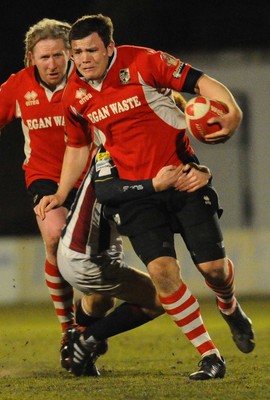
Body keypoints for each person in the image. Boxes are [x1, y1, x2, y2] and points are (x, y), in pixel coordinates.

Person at [36, 14, 255, 381]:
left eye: (91, 50)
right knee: (163, 274)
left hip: (183, 179)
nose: (84, 59)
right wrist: (60, 192)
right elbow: (77, 146)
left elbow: (202, 83)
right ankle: (209, 356)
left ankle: (229, 306)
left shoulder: (144, 61)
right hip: (137, 196)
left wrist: (231, 112)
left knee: (214, 270)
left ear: (110, 48)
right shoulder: (74, 95)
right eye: (77, 53)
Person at [0, 18, 112, 372]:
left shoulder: (88, 84)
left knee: (100, 277)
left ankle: (85, 329)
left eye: (59, 56)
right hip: (45, 180)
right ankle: (67, 331)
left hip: (92, 180)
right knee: (53, 237)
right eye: (43, 57)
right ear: (30, 58)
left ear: (70, 55)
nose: (51, 64)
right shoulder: (17, 87)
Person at [56, 146, 212, 376]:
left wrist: (203, 173)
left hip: (80, 251)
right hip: (88, 258)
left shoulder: (118, 146)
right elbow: (110, 192)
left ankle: (79, 337)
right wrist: (156, 185)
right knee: (163, 298)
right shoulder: (117, 149)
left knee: (101, 300)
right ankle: (86, 339)